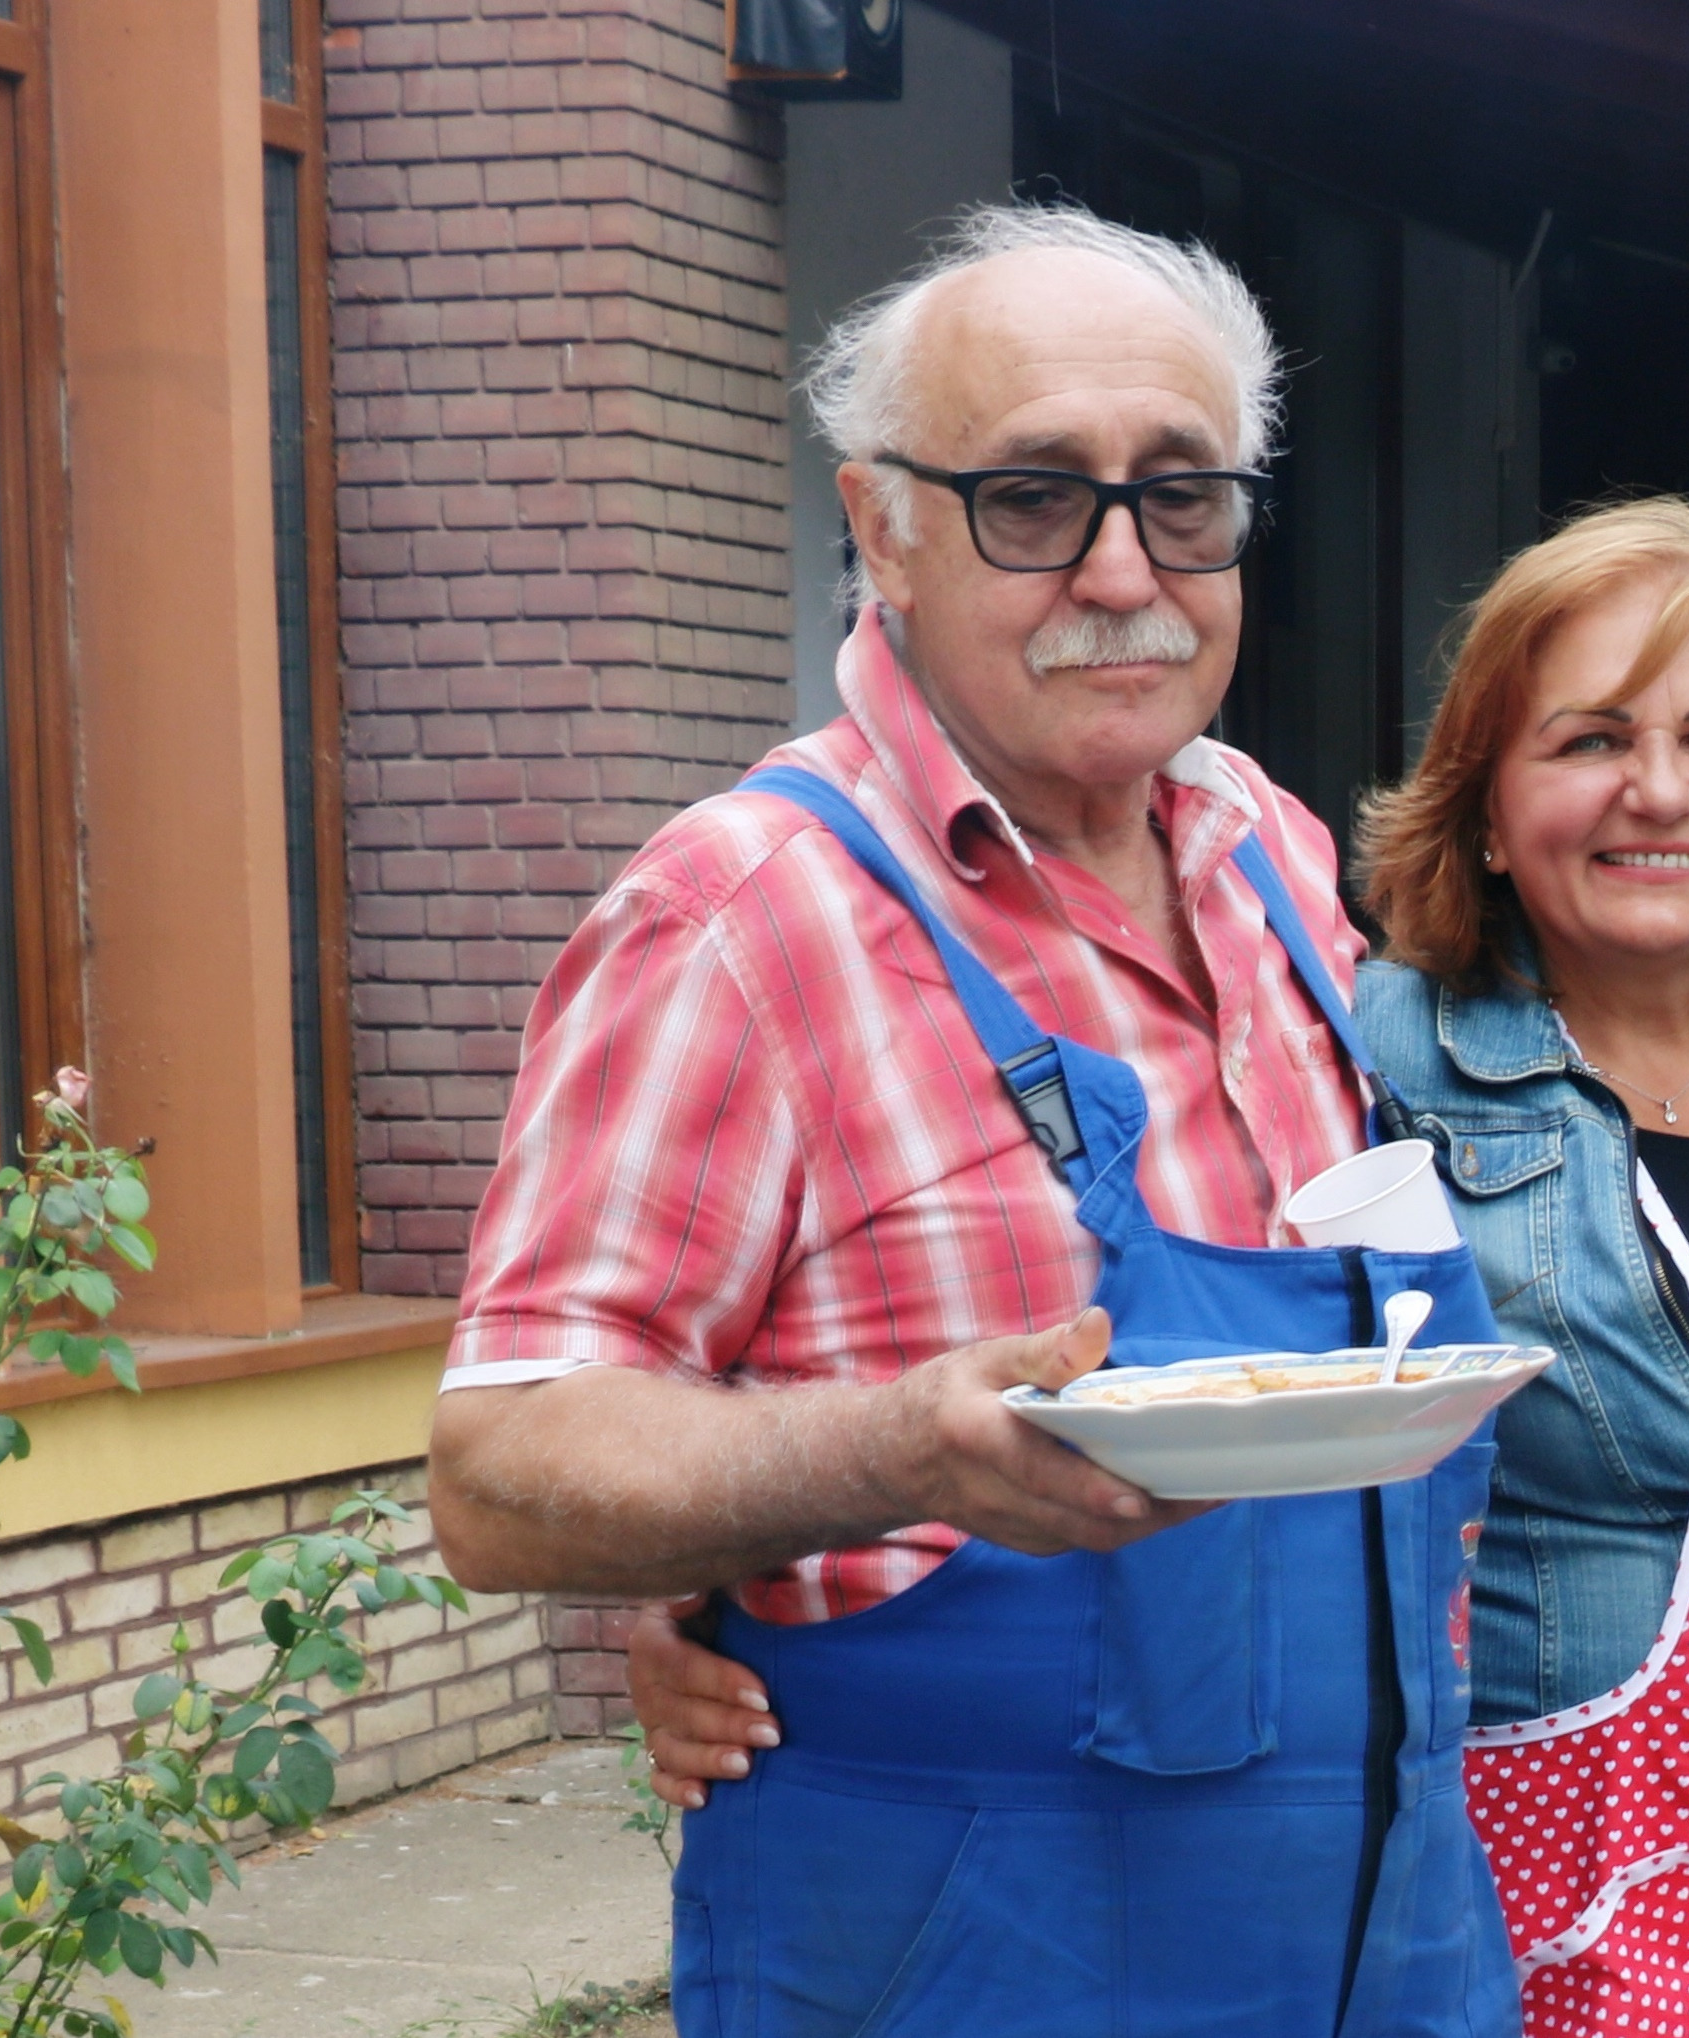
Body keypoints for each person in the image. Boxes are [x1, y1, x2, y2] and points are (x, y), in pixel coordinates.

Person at [624, 502, 1689, 2035]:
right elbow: (1062, 1306)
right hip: (1556, 1889)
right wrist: (713, 1589)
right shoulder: (1361, 1040)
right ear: (1485, 803)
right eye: (1589, 739)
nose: (1660, 790)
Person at [423, 204, 1515, 2035]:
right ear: (882, 530)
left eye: (1184, 492)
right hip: (974, 1967)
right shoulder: (741, 917)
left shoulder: (1265, 850)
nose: (1121, 571)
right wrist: (886, 1454)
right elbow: (502, 1470)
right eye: (1033, 496)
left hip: (1387, 1953)